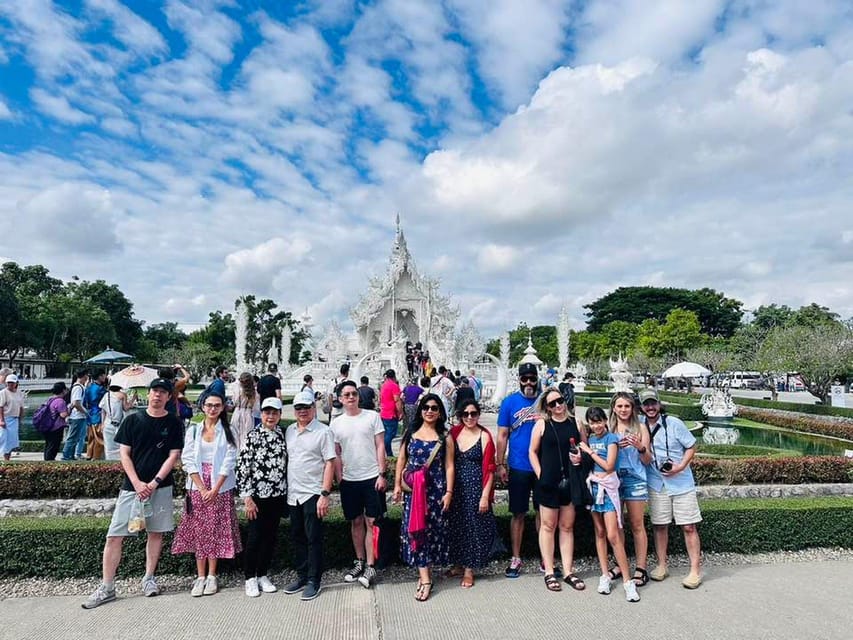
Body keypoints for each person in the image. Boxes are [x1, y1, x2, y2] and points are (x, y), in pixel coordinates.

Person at [82, 378, 183, 609]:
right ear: (148, 394)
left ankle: (148, 578)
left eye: (162, 392)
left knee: (155, 533)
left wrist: (155, 482)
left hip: (161, 486)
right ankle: (107, 586)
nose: (157, 395)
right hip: (132, 488)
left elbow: (173, 455)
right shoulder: (133, 420)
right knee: (114, 535)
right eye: (154, 391)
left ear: (169, 397)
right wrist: (138, 483)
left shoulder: (174, 423)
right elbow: (124, 454)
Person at [639, 389, 703, 589]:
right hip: (656, 483)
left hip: (681, 482)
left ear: (659, 404)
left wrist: (681, 466)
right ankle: (661, 565)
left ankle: (694, 570)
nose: (650, 407)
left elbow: (691, 446)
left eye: (653, 403)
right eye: (646, 404)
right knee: (659, 525)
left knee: (689, 526)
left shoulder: (674, 423)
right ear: (641, 406)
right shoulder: (639, 426)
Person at [393, 393, 454, 602]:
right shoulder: (410, 432)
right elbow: (402, 459)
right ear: (420, 410)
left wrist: (448, 492)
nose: (429, 411)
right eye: (426, 407)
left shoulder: (445, 436)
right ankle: (425, 578)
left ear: (440, 412)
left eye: (434, 408)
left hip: (435, 491)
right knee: (416, 530)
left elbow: (449, 465)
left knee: (432, 531)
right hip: (413, 493)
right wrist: (396, 487)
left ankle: (425, 573)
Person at [528, 388, 589, 592]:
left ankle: (568, 570)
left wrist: (581, 457)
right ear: (547, 407)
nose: (557, 406)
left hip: (570, 480)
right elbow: (532, 452)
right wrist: (540, 474)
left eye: (560, 401)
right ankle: (549, 571)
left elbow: (584, 448)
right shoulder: (542, 424)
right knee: (548, 526)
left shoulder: (576, 423)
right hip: (548, 481)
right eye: (552, 403)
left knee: (566, 526)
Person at [579, 406, 640, 602]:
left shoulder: (611, 438)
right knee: (600, 533)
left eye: (599, 421)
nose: (596, 425)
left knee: (613, 535)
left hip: (609, 489)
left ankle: (628, 582)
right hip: (595, 488)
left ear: (605, 420)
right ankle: (604, 575)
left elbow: (609, 465)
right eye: (592, 422)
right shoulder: (592, 438)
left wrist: (589, 451)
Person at [330, 381, 386, 589]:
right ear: (340, 399)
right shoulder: (336, 423)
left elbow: (380, 445)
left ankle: (371, 565)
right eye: (347, 394)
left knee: (372, 522)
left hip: (371, 476)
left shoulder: (372, 417)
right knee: (355, 522)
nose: (351, 397)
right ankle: (359, 561)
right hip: (350, 479)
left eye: (354, 393)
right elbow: (335, 452)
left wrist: (382, 473)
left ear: (358, 396)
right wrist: (339, 476)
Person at [283, 390, 336, 601]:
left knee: (313, 538)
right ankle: (302, 575)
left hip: (313, 492)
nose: (302, 411)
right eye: (298, 408)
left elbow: (330, 462)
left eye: (306, 407)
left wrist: (325, 493)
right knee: (297, 537)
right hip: (293, 492)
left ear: (313, 409)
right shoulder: (289, 431)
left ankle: (314, 580)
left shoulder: (323, 432)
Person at [237, 397, 288, 598]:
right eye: (267, 412)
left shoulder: (281, 434)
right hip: (258, 495)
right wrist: (247, 497)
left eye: (274, 413)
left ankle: (262, 574)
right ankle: (250, 577)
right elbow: (243, 468)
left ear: (279, 415)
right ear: (262, 414)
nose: (270, 416)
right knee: (255, 537)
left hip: (277, 494)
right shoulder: (253, 436)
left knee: (270, 536)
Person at [496, 362, 543, 578]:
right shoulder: (509, 403)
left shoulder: (546, 402)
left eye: (532, 378)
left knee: (545, 513)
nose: (529, 383)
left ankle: (546, 557)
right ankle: (516, 557)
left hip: (543, 466)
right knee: (518, 513)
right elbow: (502, 435)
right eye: (525, 379)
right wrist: (500, 464)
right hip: (518, 464)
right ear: (519, 380)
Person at [447, 400, 496, 588]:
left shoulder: (484, 435)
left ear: (478, 414)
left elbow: (490, 469)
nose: (469, 417)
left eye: (473, 413)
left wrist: (485, 495)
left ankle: (469, 569)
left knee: (473, 528)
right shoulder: (454, 433)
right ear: (460, 415)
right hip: (456, 487)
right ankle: (459, 563)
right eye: (466, 414)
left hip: (476, 487)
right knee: (457, 525)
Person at [607, 391, 652, 587]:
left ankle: (641, 567)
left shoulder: (640, 427)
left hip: (635, 479)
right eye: (620, 406)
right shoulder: (609, 429)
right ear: (614, 408)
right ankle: (620, 563)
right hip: (613, 480)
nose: (623, 410)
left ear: (632, 408)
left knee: (636, 524)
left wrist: (640, 447)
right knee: (617, 525)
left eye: (627, 406)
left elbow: (647, 460)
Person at [100, 384, 135, 461]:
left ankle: (109, 463)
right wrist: (133, 399)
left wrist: (102, 423)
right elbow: (126, 408)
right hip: (119, 423)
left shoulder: (107, 395)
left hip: (108, 422)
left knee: (108, 447)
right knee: (121, 446)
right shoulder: (122, 395)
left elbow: (103, 410)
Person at [63, 370, 90, 461]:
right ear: (84, 376)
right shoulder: (78, 387)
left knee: (75, 437)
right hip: (77, 416)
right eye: (87, 375)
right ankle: (66, 456)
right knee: (72, 437)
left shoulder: (80, 387)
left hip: (78, 416)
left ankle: (70, 456)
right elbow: (76, 403)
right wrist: (85, 412)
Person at [231, 372, 259, 450]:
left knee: (235, 434)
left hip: (238, 411)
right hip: (248, 413)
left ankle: (235, 451)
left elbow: (234, 401)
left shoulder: (238, 391)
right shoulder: (255, 392)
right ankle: (245, 451)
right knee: (247, 434)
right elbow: (256, 408)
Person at [42, 382, 69, 461]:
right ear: (63, 390)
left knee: (48, 445)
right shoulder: (60, 401)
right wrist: (69, 409)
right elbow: (63, 415)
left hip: (47, 426)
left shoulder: (50, 399)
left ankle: (47, 461)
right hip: (56, 427)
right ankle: (50, 462)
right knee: (54, 446)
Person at [379, 369, 403, 457]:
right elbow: (397, 400)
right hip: (391, 413)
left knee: (386, 433)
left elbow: (380, 398)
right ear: (394, 376)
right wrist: (400, 412)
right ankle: (388, 453)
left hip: (384, 412)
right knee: (391, 434)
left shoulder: (383, 385)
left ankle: (385, 451)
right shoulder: (394, 386)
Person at [0, 373, 24, 461]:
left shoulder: (19, 393)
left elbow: (21, 407)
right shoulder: (3, 393)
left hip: (14, 419)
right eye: (8, 382)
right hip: (6, 419)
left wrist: (20, 419)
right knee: (3, 439)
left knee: (11, 441)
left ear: (16, 383)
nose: (10, 384)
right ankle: (5, 458)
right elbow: (1, 407)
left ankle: (7, 459)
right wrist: (1, 420)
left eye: (12, 382)